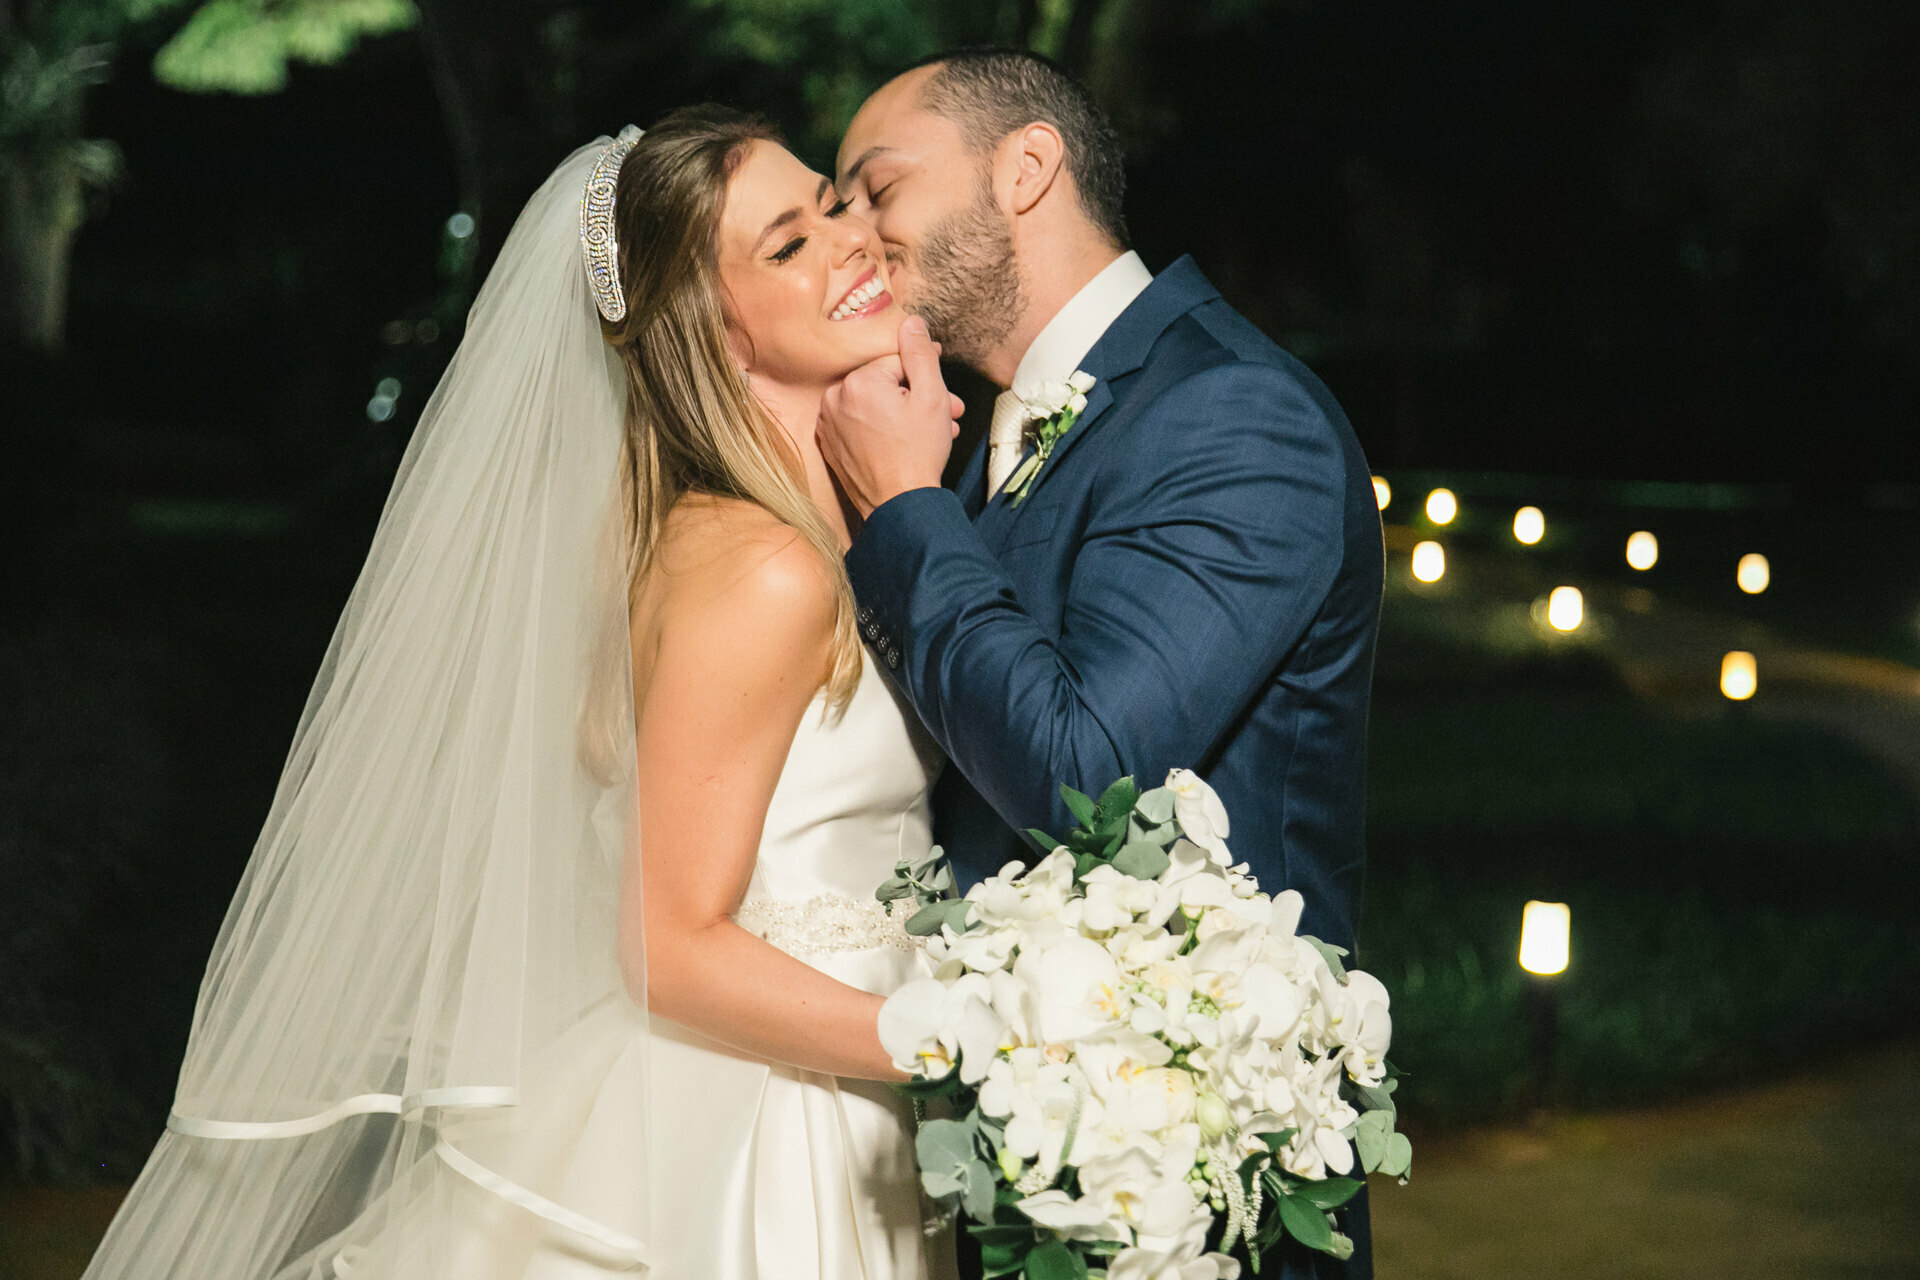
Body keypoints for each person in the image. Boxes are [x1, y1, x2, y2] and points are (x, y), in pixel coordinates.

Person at [81, 107, 960, 1280]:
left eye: (836, 205)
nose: (851, 243)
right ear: (710, 326)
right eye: (789, 244)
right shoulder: (763, 568)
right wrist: (960, 1041)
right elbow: (668, 943)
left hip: (808, 1086)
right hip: (749, 1130)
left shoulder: (771, 536)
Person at [816, 50, 1384, 1278]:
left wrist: (908, 505)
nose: (853, 238)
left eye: (875, 189)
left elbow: (1092, 776)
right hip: (1016, 1157)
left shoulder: (1237, 414)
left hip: (1189, 1184)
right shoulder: (972, 436)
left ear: (1027, 167)